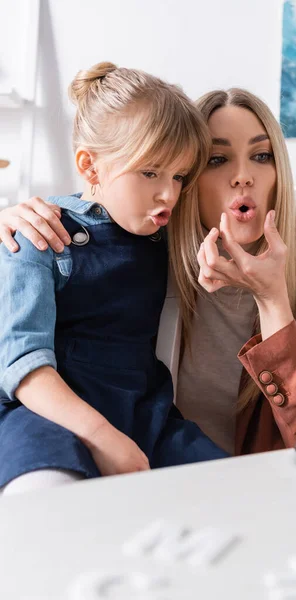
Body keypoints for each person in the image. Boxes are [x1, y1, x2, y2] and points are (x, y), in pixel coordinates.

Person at [0, 87, 296, 459]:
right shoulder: (144, 248)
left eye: (261, 155)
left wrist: (273, 303)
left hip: (250, 493)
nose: (243, 176)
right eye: (217, 159)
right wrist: (11, 222)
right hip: (138, 469)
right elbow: (96, 203)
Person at [0, 63, 229, 496]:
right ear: (90, 167)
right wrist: (102, 437)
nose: (169, 194)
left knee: (230, 491)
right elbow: (24, 368)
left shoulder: (169, 236)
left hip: (145, 413)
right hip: (47, 415)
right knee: (42, 491)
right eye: (150, 173)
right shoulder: (39, 234)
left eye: (179, 176)